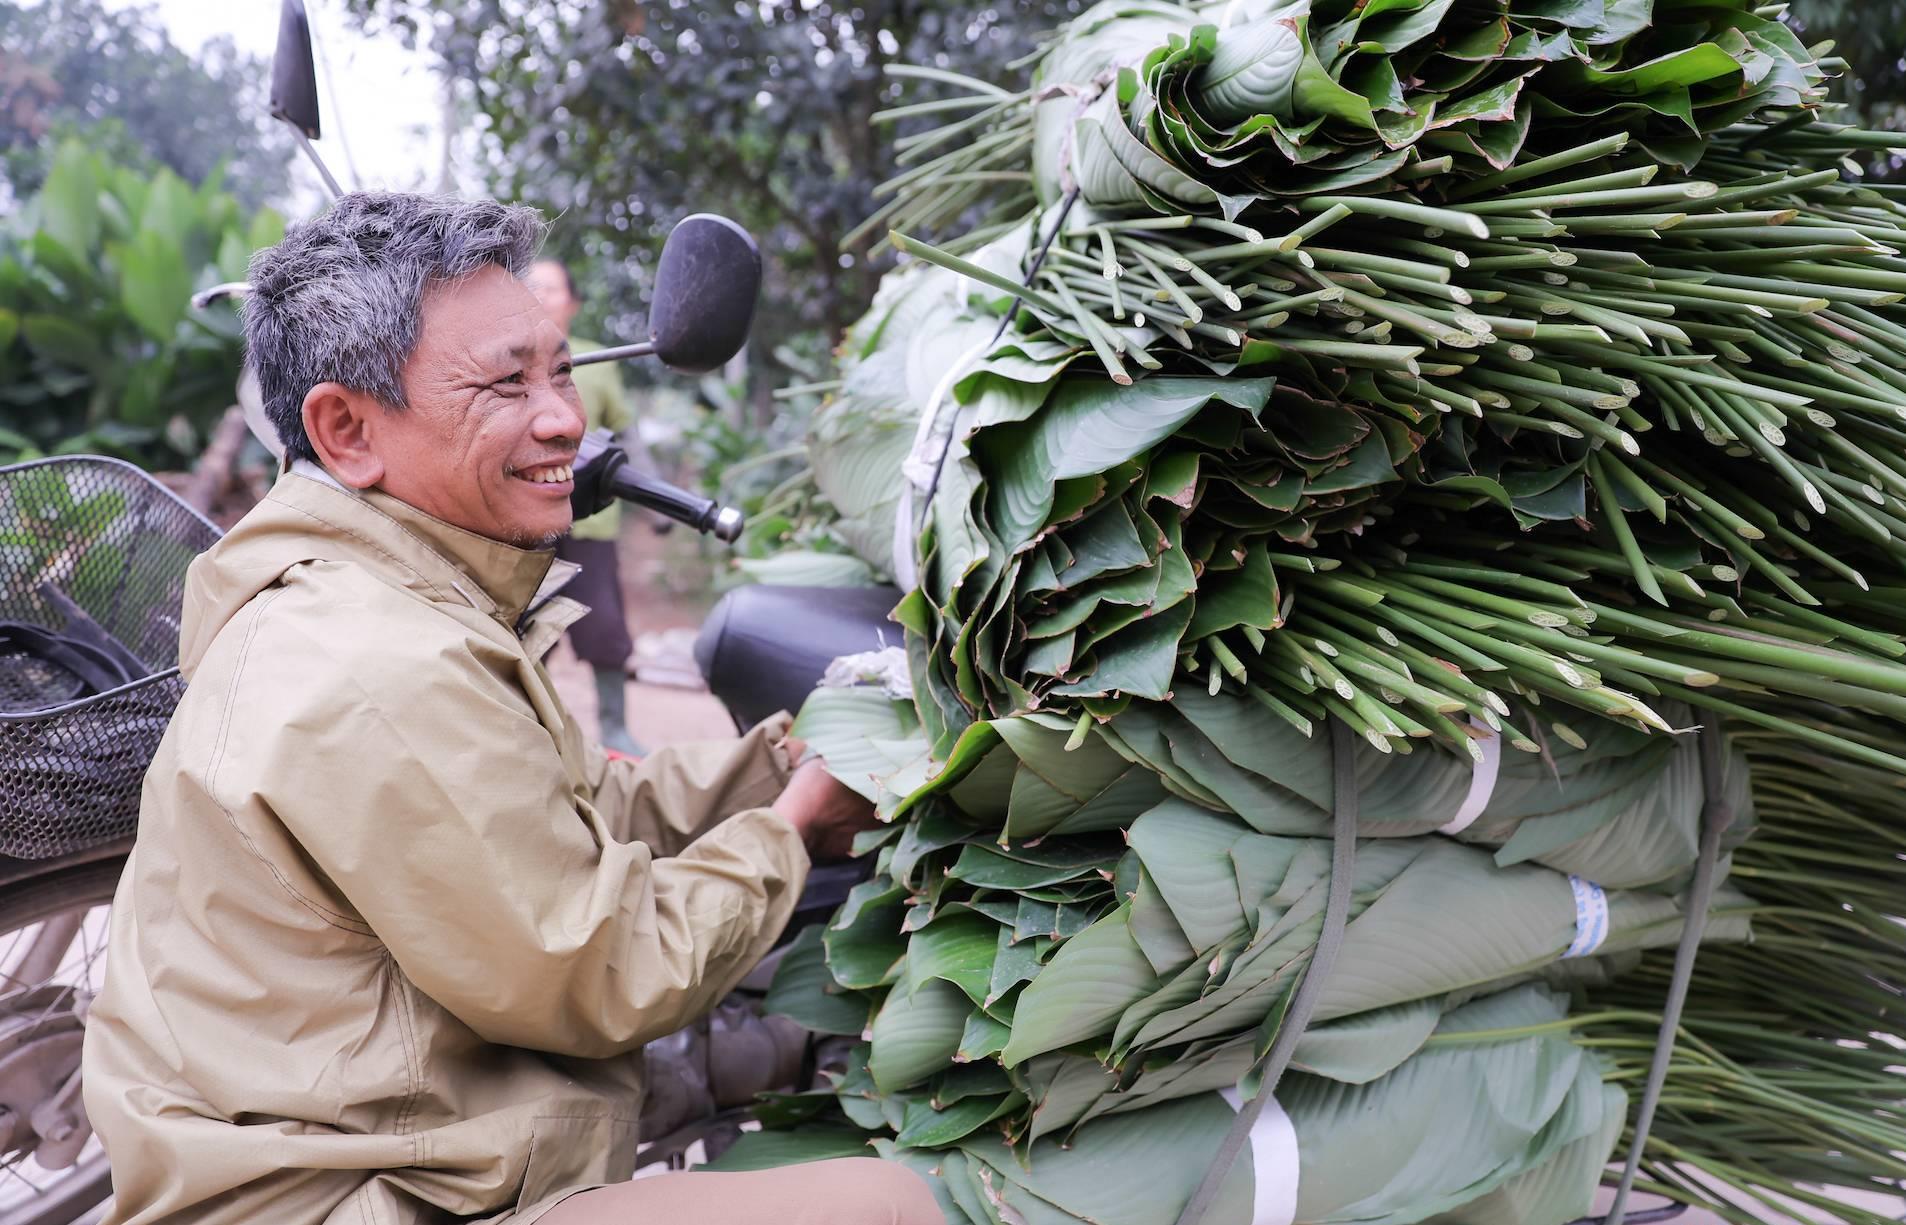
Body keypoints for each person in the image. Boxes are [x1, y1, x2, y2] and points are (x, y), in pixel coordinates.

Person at [80, 193, 942, 1225]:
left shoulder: (408, 595)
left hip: (397, 1126)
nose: (565, 418)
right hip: (351, 1196)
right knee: (890, 1205)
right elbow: (603, 967)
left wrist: (774, 767)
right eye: (506, 383)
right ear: (347, 429)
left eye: (561, 370)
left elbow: (560, 811)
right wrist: (791, 830)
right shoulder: (372, 662)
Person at [524, 257, 642, 756]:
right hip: (526, 524)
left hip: (591, 519)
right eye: (529, 287)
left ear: (571, 303)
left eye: (550, 289)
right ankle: (535, 732)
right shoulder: (503, 358)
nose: (539, 296)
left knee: (604, 625)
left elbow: (627, 432)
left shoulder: (599, 356)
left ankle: (614, 728)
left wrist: (651, 499)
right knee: (528, 626)